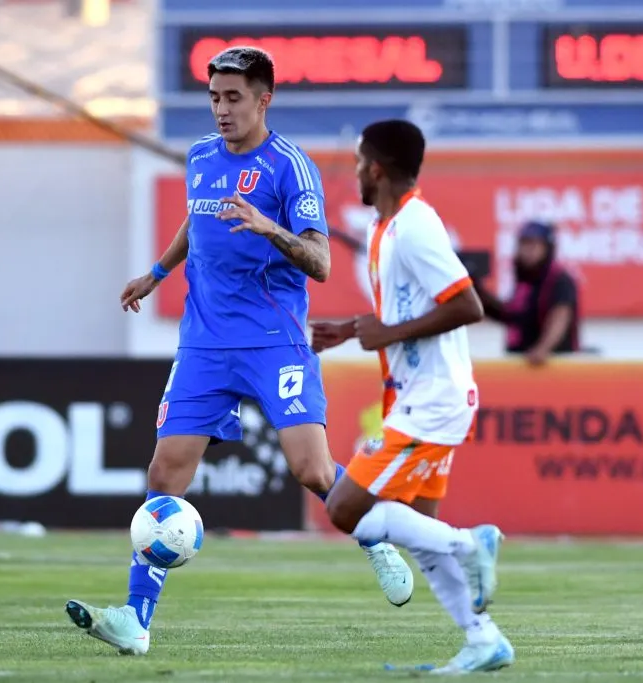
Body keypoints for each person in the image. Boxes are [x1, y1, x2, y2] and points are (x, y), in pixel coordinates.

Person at [63, 47, 413, 656]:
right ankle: (136, 621)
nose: (222, 110)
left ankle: (376, 537)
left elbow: (323, 262)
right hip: (203, 344)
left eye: (234, 98)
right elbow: (196, 224)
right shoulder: (200, 156)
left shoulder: (288, 167)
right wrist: (156, 272)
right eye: (215, 98)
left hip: (272, 341)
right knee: (163, 474)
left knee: (312, 469)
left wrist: (268, 226)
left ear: (263, 99)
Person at [311, 119, 515, 674]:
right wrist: (355, 329)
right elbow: (406, 310)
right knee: (415, 529)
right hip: (418, 399)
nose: (353, 171)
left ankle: (472, 544)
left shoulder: (417, 226)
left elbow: (468, 305)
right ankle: (483, 640)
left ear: (375, 168)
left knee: (345, 508)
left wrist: (385, 333)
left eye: (358, 161)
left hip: (433, 401)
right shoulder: (388, 228)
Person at [474, 221, 581, 366]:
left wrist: (543, 349)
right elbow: (512, 315)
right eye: (523, 244)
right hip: (522, 362)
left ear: (547, 248)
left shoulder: (560, 279)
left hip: (550, 365)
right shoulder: (525, 279)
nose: (527, 251)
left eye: (534, 245)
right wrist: (478, 294)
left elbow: (561, 315)